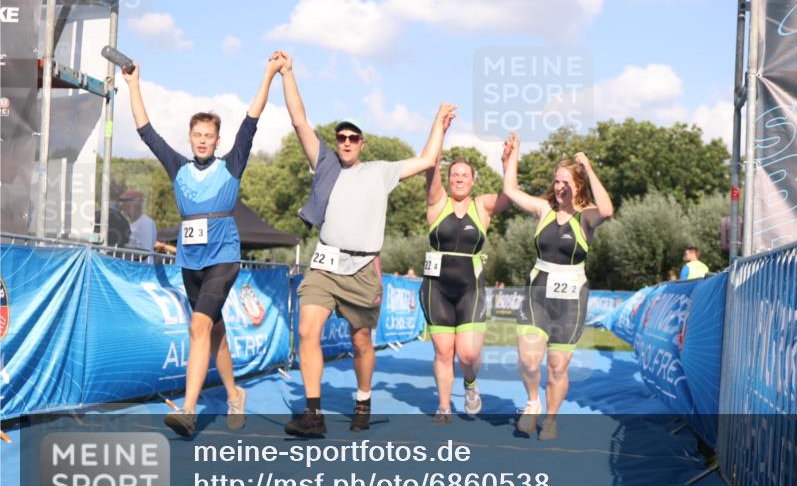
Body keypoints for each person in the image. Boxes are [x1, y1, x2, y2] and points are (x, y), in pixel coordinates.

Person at [275, 50, 451, 436]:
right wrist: (288, 73)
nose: (347, 142)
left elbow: (425, 160)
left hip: (361, 269)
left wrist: (439, 123)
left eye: (353, 138)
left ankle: (363, 399)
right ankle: (313, 413)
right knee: (307, 331)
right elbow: (299, 120)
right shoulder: (324, 163)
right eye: (341, 137)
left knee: (361, 344)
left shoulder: (381, 172)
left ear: (363, 143)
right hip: (324, 263)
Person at [120, 54, 283, 437]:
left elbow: (251, 121)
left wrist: (269, 74)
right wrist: (133, 86)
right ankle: (234, 392)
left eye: (209, 135)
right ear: (190, 138)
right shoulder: (178, 167)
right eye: (197, 135)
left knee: (197, 326)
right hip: (190, 261)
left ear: (217, 140)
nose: (203, 140)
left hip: (223, 258)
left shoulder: (231, 164)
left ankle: (189, 410)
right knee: (213, 332)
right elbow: (146, 131)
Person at [502, 133, 613, 440]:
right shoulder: (544, 210)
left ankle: (550, 420)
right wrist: (514, 156)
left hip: (571, 298)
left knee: (557, 366)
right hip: (538, 291)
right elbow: (510, 190)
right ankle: (533, 403)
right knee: (527, 359)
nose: (559, 187)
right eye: (556, 181)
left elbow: (607, 210)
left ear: (578, 184)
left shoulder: (586, 217)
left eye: (566, 181)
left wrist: (588, 167)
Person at [421, 147, 511, 423]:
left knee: (468, 353)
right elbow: (429, 167)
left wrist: (508, 164)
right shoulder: (437, 203)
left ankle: (470, 384)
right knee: (443, 351)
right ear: (448, 180)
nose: (459, 179)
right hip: (437, 288)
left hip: (469, 289)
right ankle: (444, 407)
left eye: (465, 175)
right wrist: (440, 130)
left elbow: (509, 196)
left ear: (473, 181)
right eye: (454, 175)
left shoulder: (481, 206)